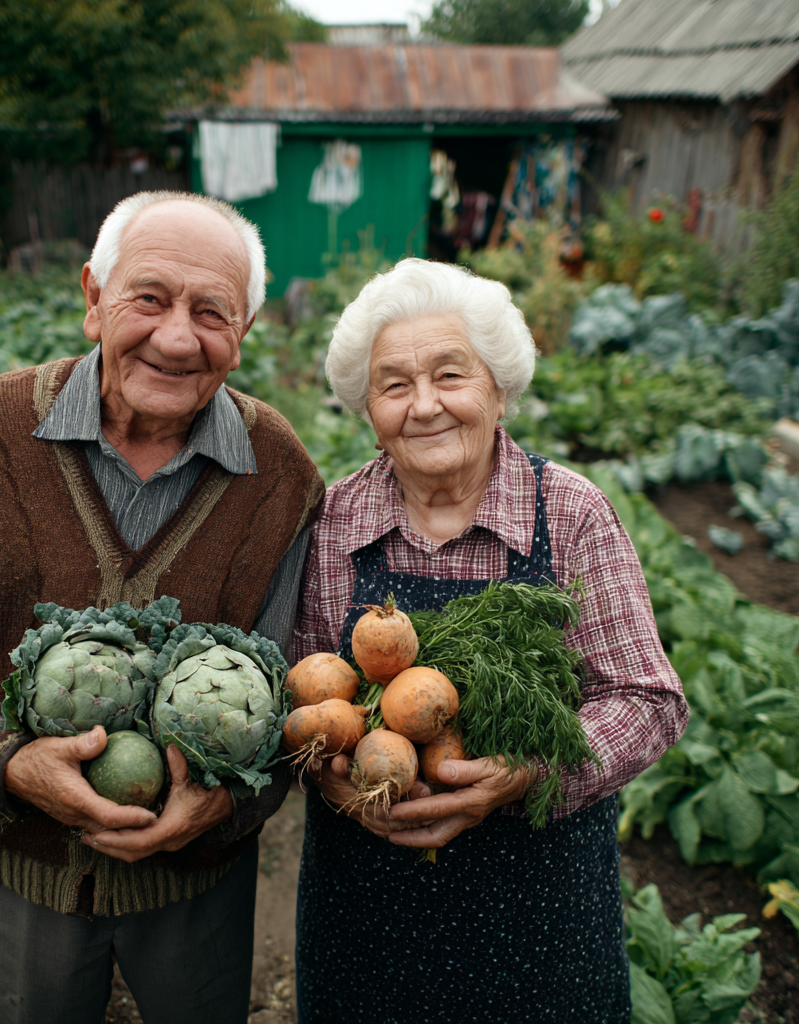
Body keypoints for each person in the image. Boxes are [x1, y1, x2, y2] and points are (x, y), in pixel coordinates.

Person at [0, 191, 324, 1024]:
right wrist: (7, 762)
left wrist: (226, 803)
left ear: (245, 332)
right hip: (19, 871)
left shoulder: (281, 473)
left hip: (198, 879)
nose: (177, 336)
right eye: (148, 298)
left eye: (211, 312)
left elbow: (296, 685)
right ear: (93, 299)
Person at [291, 258, 688, 1024]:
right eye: (394, 385)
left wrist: (529, 770)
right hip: (371, 907)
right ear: (366, 407)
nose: (426, 405)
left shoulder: (569, 512)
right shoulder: (334, 519)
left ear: (499, 390)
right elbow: (312, 692)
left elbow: (649, 700)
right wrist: (336, 778)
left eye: (451, 374)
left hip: (539, 910)